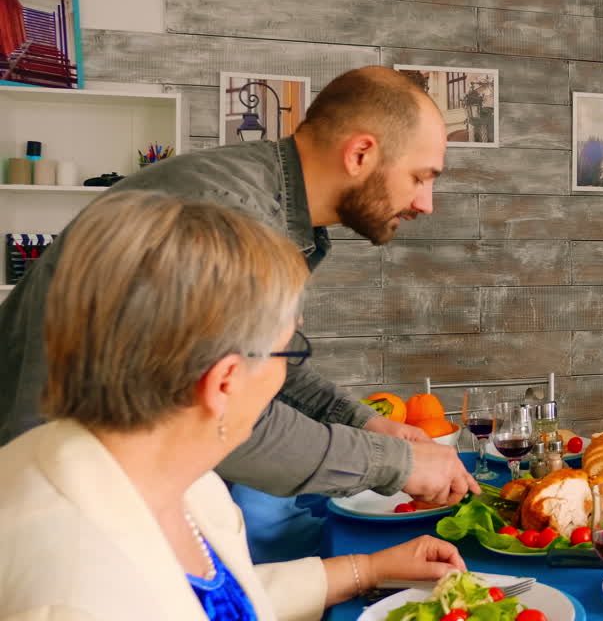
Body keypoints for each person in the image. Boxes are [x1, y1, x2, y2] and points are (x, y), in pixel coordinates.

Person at [0, 66, 479, 508]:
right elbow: (218, 409)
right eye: (420, 177)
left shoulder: (269, 206)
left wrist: (365, 422)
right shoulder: (229, 216)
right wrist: (397, 464)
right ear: (359, 154)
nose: (426, 203)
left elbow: (259, 366)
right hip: (58, 499)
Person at [0, 191, 467, 620]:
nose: (287, 378)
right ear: (223, 381)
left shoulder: (167, 470)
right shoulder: (73, 596)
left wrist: (363, 569)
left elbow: (197, 602)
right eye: (289, 353)